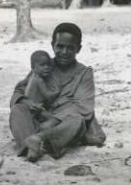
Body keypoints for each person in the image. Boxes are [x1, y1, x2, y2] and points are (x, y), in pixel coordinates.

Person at [9, 23, 107, 162]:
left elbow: (84, 107)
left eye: (70, 48)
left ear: (78, 49)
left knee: (77, 121)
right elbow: (20, 91)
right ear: (52, 46)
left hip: (62, 124)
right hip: (39, 119)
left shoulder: (84, 73)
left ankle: (38, 139)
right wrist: (28, 102)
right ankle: (33, 147)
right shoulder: (44, 65)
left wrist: (53, 120)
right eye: (60, 46)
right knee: (18, 109)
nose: (64, 52)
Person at [25, 50, 61, 130]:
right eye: (42, 65)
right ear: (33, 68)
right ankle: (40, 130)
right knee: (54, 120)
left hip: (31, 107)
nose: (46, 67)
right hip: (35, 109)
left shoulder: (33, 78)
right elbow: (47, 96)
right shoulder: (39, 80)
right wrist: (57, 92)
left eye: (48, 64)